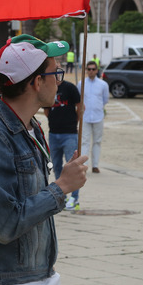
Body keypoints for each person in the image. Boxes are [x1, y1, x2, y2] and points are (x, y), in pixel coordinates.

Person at [0, 34, 88, 285]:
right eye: (56, 73)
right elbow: (5, 224)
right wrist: (62, 186)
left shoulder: (30, 127)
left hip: (36, 281)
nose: (59, 81)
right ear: (36, 82)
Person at [44, 77, 82, 210]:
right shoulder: (48, 88)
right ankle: (62, 194)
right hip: (54, 133)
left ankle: (74, 197)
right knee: (56, 166)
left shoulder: (70, 88)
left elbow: (80, 106)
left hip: (69, 133)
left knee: (73, 164)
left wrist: (74, 121)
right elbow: (46, 110)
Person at [79, 60, 109, 174]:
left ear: (96, 70)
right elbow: (79, 99)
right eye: (89, 69)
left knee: (97, 141)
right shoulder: (81, 84)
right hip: (85, 117)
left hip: (98, 116)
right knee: (85, 142)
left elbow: (105, 99)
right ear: (86, 70)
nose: (91, 71)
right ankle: (85, 165)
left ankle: (95, 165)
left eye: (93, 69)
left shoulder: (103, 85)